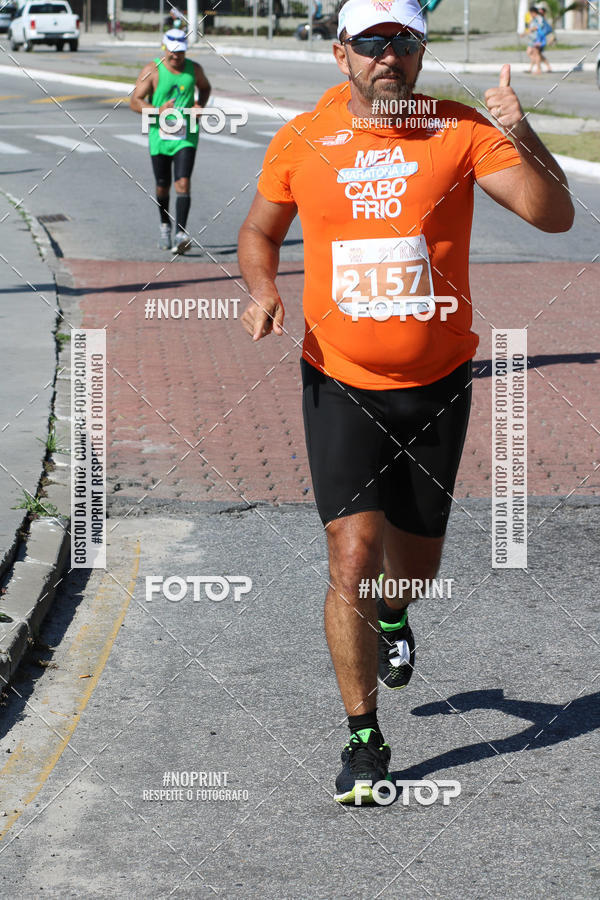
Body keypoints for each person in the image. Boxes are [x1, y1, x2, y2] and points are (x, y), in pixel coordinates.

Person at [238, 0, 574, 804]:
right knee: (351, 557)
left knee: (413, 568)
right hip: (339, 378)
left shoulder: (457, 131)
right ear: (341, 53)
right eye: (373, 42)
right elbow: (259, 232)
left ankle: (397, 615)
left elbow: (554, 215)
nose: (390, 56)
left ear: (421, 55)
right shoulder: (302, 138)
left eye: (406, 42)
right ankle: (363, 739)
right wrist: (261, 291)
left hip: (437, 387)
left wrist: (523, 133)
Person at [130, 29, 211, 254]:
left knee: (183, 182)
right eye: (173, 52)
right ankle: (165, 225)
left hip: (186, 135)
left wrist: (199, 105)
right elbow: (135, 102)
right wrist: (158, 110)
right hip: (160, 136)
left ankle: (181, 234)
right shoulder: (152, 71)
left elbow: (205, 88)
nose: (177, 57)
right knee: (162, 185)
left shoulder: (194, 69)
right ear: (164, 48)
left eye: (181, 53)